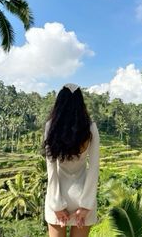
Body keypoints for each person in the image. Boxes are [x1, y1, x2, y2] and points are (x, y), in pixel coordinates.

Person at [43, 83, 100, 237]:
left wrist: (56, 203)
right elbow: (94, 167)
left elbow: (51, 168)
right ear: (81, 103)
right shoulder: (90, 128)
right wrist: (86, 204)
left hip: (58, 194)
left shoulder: (51, 127)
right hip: (82, 195)